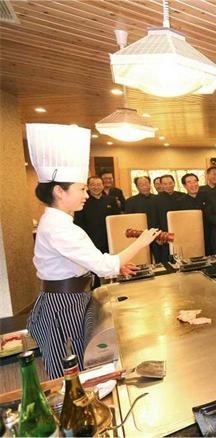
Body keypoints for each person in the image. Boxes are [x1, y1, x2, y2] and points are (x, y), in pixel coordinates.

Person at [25, 123, 159, 379]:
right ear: (59, 191)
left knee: (80, 362)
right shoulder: (58, 227)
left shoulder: (60, 221)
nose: (86, 194)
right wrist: (141, 242)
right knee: (68, 372)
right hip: (63, 305)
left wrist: (116, 264)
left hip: (73, 298)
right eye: (81, 189)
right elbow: (104, 266)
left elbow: (84, 261)